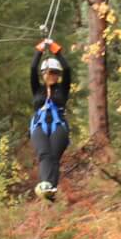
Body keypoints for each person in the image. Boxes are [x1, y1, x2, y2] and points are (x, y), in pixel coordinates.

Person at [29, 39, 72, 201]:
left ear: (58, 75)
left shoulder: (63, 89)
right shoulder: (37, 89)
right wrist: (39, 50)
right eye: (48, 72)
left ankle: (50, 189)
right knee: (44, 154)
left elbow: (67, 68)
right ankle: (46, 185)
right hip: (39, 124)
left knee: (54, 156)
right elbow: (32, 68)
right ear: (43, 74)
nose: (51, 75)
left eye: (54, 72)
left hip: (58, 124)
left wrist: (56, 50)